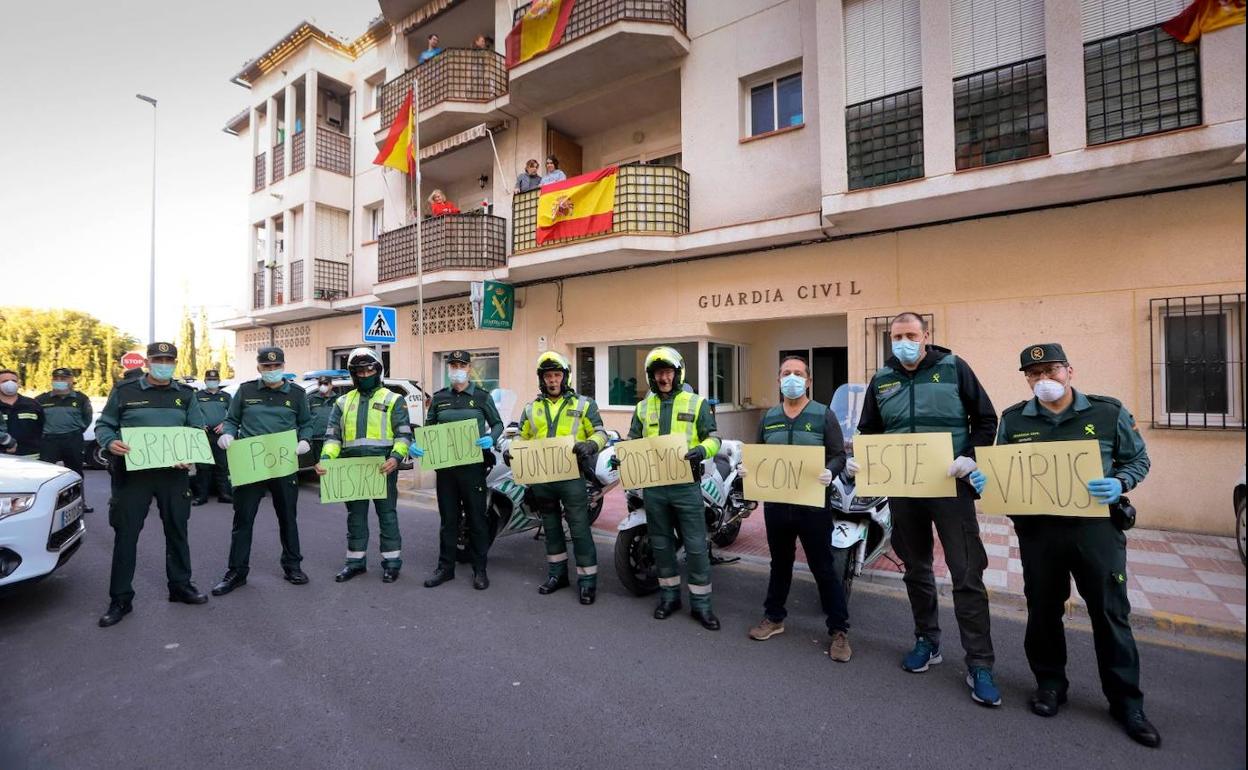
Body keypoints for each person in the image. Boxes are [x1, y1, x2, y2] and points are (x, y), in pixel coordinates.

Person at [979, 343, 1160, 747]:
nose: (1044, 380)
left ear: (1069, 371)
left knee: (1110, 613)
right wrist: (984, 481)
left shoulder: (1107, 412)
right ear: (1027, 379)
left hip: (1095, 531)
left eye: (1051, 371)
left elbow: (1139, 461)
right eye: (1034, 374)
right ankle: (1049, 684)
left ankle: (1127, 702)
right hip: (1039, 532)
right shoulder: (1014, 420)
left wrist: (1121, 483)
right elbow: (1002, 472)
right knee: (1042, 610)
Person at [854, 312, 1001, 706]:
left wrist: (971, 457)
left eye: (910, 335)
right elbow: (869, 430)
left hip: (951, 486)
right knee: (916, 570)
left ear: (926, 337)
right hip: (904, 490)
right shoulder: (882, 379)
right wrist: (862, 457)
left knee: (966, 573)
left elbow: (987, 419)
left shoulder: (954, 368)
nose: (903, 341)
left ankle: (980, 664)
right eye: (897, 336)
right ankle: (927, 641)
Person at [742, 356, 851, 660]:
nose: (792, 378)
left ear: (808, 381)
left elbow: (839, 455)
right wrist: (747, 471)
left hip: (813, 506)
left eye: (798, 373)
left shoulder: (823, 415)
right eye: (786, 373)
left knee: (824, 567)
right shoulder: (769, 417)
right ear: (778, 381)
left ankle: (839, 630)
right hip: (777, 506)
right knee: (780, 563)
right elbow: (757, 455)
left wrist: (831, 470)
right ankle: (774, 618)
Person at [95, 342, 208, 628]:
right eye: (158, 359)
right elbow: (104, 425)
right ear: (147, 362)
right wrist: (110, 442)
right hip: (134, 476)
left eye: (169, 359)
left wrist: (190, 453)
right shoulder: (124, 391)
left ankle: (180, 586)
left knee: (177, 531)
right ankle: (121, 598)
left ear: (175, 363)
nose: (164, 363)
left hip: (174, 475)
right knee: (126, 536)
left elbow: (197, 428)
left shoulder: (186, 394)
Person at [621, 346, 722, 630]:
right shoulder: (642, 407)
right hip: (654, 488)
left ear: (677, 374)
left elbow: (715, 439)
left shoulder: (696, 402)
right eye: (658, 373)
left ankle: (702, 606)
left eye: (667, 372)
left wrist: (701, 450)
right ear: (651, 377)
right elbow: (633, 440)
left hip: (685, 486)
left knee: (696, 546)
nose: (663, 377)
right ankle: (669, 598)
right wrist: (623, 455)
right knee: (661, 544)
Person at [500, 351, 608, 604]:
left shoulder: (583, 404)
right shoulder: (531, 408)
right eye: (548, 376)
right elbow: (519, 437)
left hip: (572, 477)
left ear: (565, 377)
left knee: (580, 529)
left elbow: (601, 433)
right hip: (542, 479)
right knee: (550, 528)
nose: (552, 380)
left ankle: (587, 581)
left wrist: (591, 445)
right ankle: (557, 575)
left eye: (557, 375)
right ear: (542, 379)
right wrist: (511, 450)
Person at [211, 347, 313, 595]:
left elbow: (306, 423)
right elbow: (233, 420)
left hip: (283, 463)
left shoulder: (297, 394)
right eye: (267, 367)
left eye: (276, 366)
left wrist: (305, 441)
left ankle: (292, 566)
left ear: (283, 367)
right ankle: (236, 572)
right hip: (250, 464)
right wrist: (227, 434)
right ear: (259, 368)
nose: (272, 370)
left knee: (287, 517)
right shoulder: (246, 391)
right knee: (243, 519)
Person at [317, 348, 416, 584]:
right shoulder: (342, 402)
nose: (364, 374)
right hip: (352, 468)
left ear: (378, 370)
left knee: (387, 516)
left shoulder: (393, 399)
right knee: (355, 517)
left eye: (369, 369)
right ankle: (355, 562)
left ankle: (392, 563)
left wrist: (396, 457)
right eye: (359, 370)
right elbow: (333, 438)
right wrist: (327, 459)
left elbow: (404, 435)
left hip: (383, 467)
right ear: (353, 374)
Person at [423, 350, 503, 590]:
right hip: (446, 469)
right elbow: (430, 427)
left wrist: (492, 438)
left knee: (477, 520)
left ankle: (480, 570)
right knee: (449, 520)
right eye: (453, 365)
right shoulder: (439, 398)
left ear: (469, 368)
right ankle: (445, 568)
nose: (457, 368)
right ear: (449, 369)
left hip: (472, 468)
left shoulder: (481, 397)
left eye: (461, 365)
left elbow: (498, 423)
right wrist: (420, 445)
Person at [35, 368, 95, 512]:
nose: (60, 381)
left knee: (76, 473)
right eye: (57, 378)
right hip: (49, 441)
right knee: (45, 475)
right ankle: (43, 506)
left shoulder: (81, 399)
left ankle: (80, 503)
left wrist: (77, 431)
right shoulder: (41, 399)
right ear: (52, 380)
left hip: (72, 439)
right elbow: (37, 421)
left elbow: (87, 418)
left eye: (64, 379)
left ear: (71, 380)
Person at [192, 369, 233, 506]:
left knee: (222, 465)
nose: (212, 382)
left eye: (214, 380)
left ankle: (224, 494)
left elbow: (233, 415)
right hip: (203, 434)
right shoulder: (197, 396)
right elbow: (192, 412)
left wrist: (224, 424)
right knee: (203, 467)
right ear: (205, 381)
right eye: (209, 379)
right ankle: (201, 496)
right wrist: (199, 424)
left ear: (219, 381)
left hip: (220, 435)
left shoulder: (226, 396)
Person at [0, 368, 44, 458]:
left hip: (31, 457)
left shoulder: (32, 404)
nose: (10, 383)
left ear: (18, 384)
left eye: (13, 380)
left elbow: (43, 429)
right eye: (5, 381)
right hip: (3, 459)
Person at [307, 375, 338, 464]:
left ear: (331, 385)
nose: (323, 386)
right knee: (319, 465)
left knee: (333, 465)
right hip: (317, 438)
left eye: (325, 383)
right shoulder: (311, 399)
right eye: (320, 384)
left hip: (333, 438)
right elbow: (306, 418)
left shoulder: (338, 399)